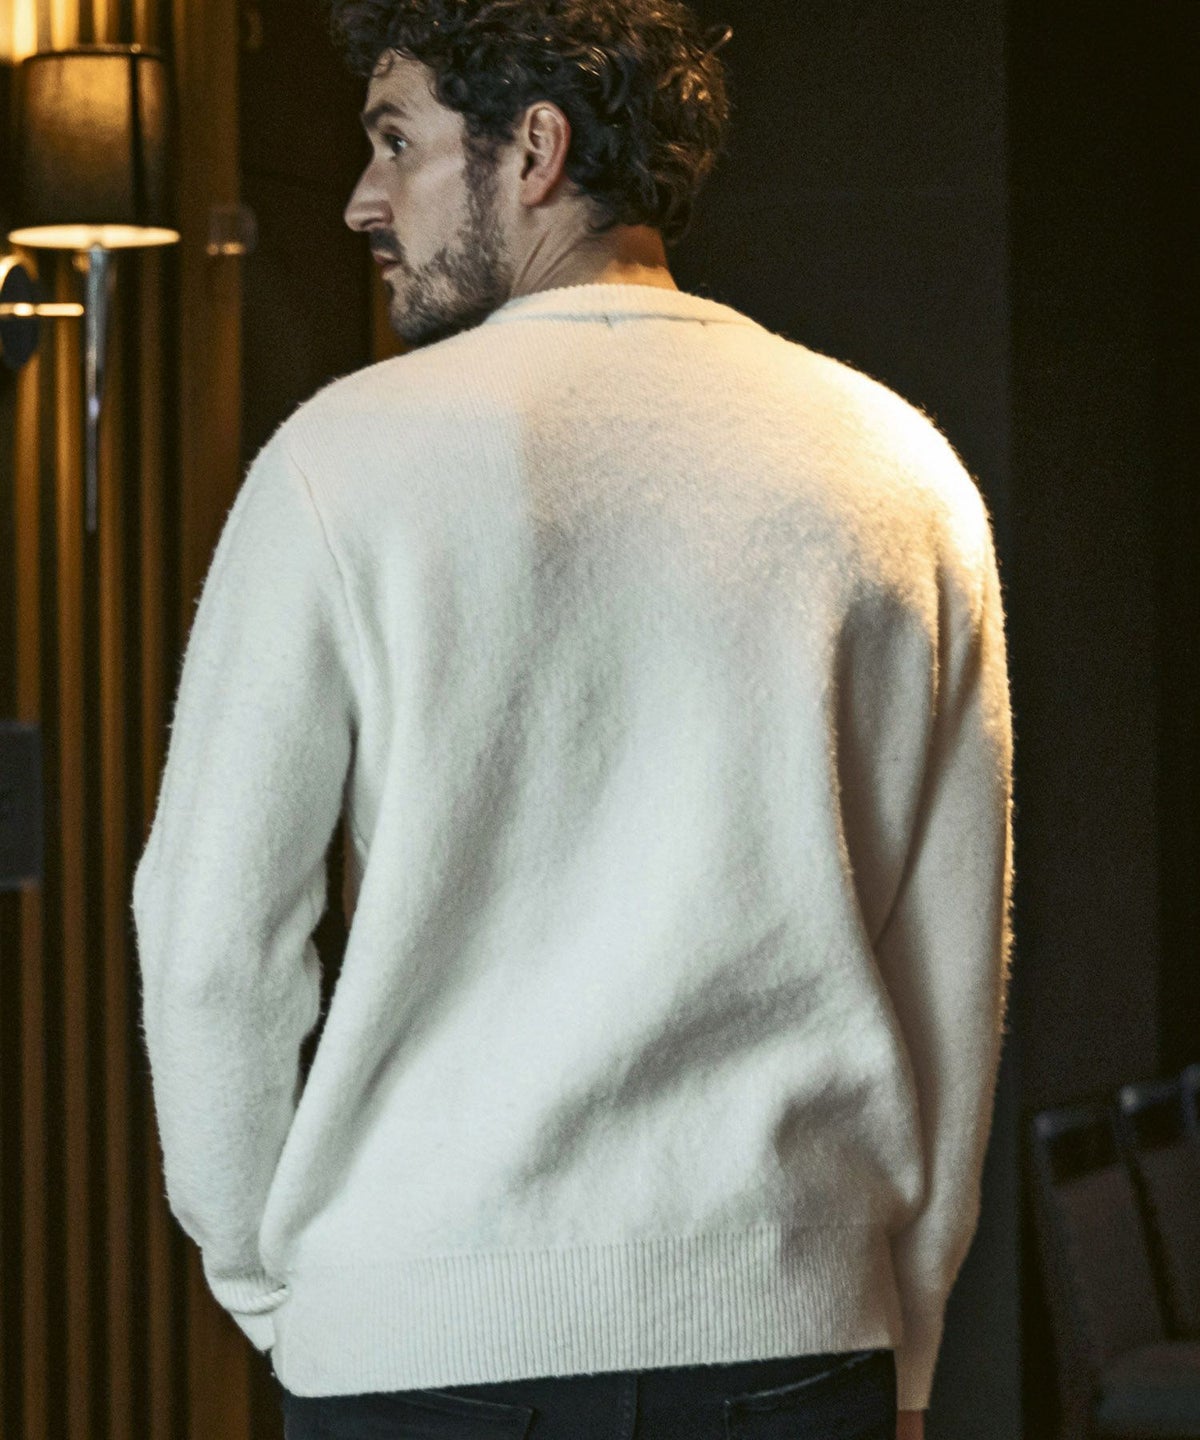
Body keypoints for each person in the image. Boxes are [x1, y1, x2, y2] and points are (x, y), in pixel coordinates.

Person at [130, 1, 1015, 1437]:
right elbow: (948, 965)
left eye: (396, 142)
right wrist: (905, 1334)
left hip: (415, 1346)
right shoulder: (896, 470)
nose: (363, 199)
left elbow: (213, 942)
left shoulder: (335, 463)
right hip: (789, 1339)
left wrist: (279, 1290)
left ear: (534, 149)